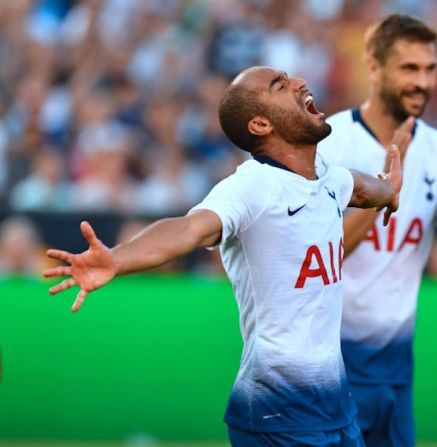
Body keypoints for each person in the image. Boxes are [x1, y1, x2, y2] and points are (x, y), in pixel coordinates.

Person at [43, 66, 407, 447]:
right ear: (261, 124)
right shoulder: (253, 186)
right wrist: (118, 258)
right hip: (277, 415)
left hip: (335, 409)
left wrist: (389, 189)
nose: (300, 83)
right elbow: (190, 228)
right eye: (279, 86)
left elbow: (362, 189)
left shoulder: (326, 177)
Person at [316, 14, 437, 446]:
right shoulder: (331, 145)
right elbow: (325, 250)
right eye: (409, 68)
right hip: (328, 366)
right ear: (374, 67)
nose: (423, 81)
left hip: (396, 371)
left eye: (430, 69)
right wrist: (385, 189)